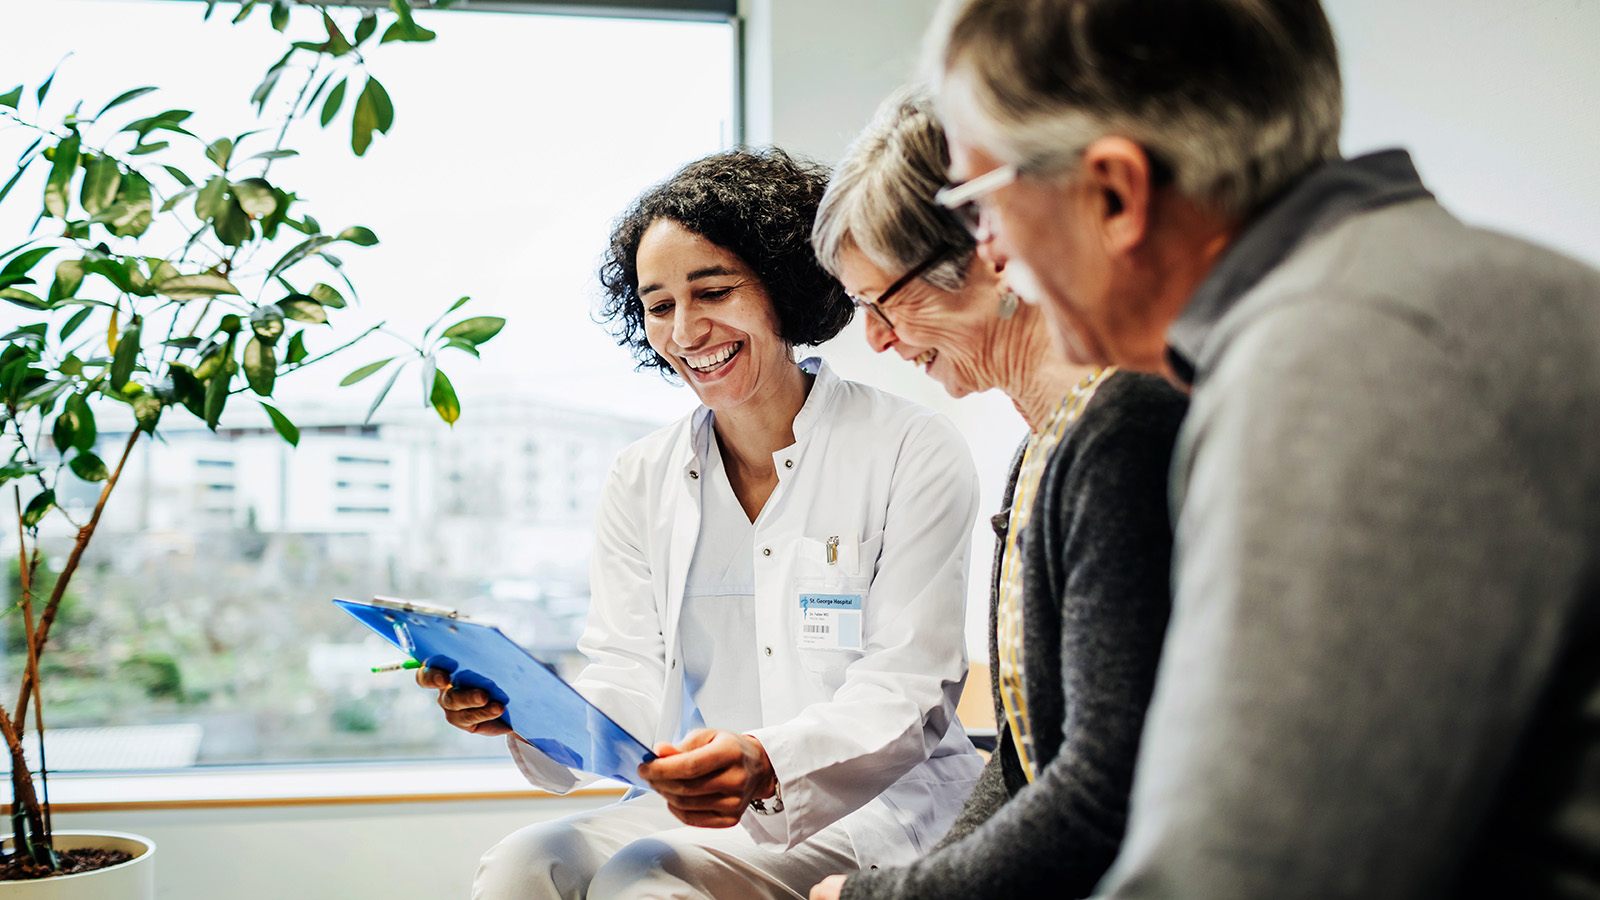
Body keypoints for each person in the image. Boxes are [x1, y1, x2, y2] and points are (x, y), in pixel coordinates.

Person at [924, 1, 1600, 898]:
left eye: (980, 205)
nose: (992, 250)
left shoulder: (1337, 357)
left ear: (1115, 194)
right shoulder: (1415, 291)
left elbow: (1248, 875)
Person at [419, 148, 985, 900]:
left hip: (881, 806)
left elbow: (911, 687)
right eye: (659, 306)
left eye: (712, 291)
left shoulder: (910, 448)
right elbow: (626, 673)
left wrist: (763, 757)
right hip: (706, 807)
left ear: (784, 290)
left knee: (645, 882)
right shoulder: (641, 476)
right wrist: (523, 711)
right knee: (525, 863)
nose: (685, 331)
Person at [805, 90, 1187, 900]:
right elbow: (1020, 761)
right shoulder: (1036, 450)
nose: (874, 338)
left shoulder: (1125, 429)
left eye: (886, 301)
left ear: (989, 249)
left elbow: (1102, 793)